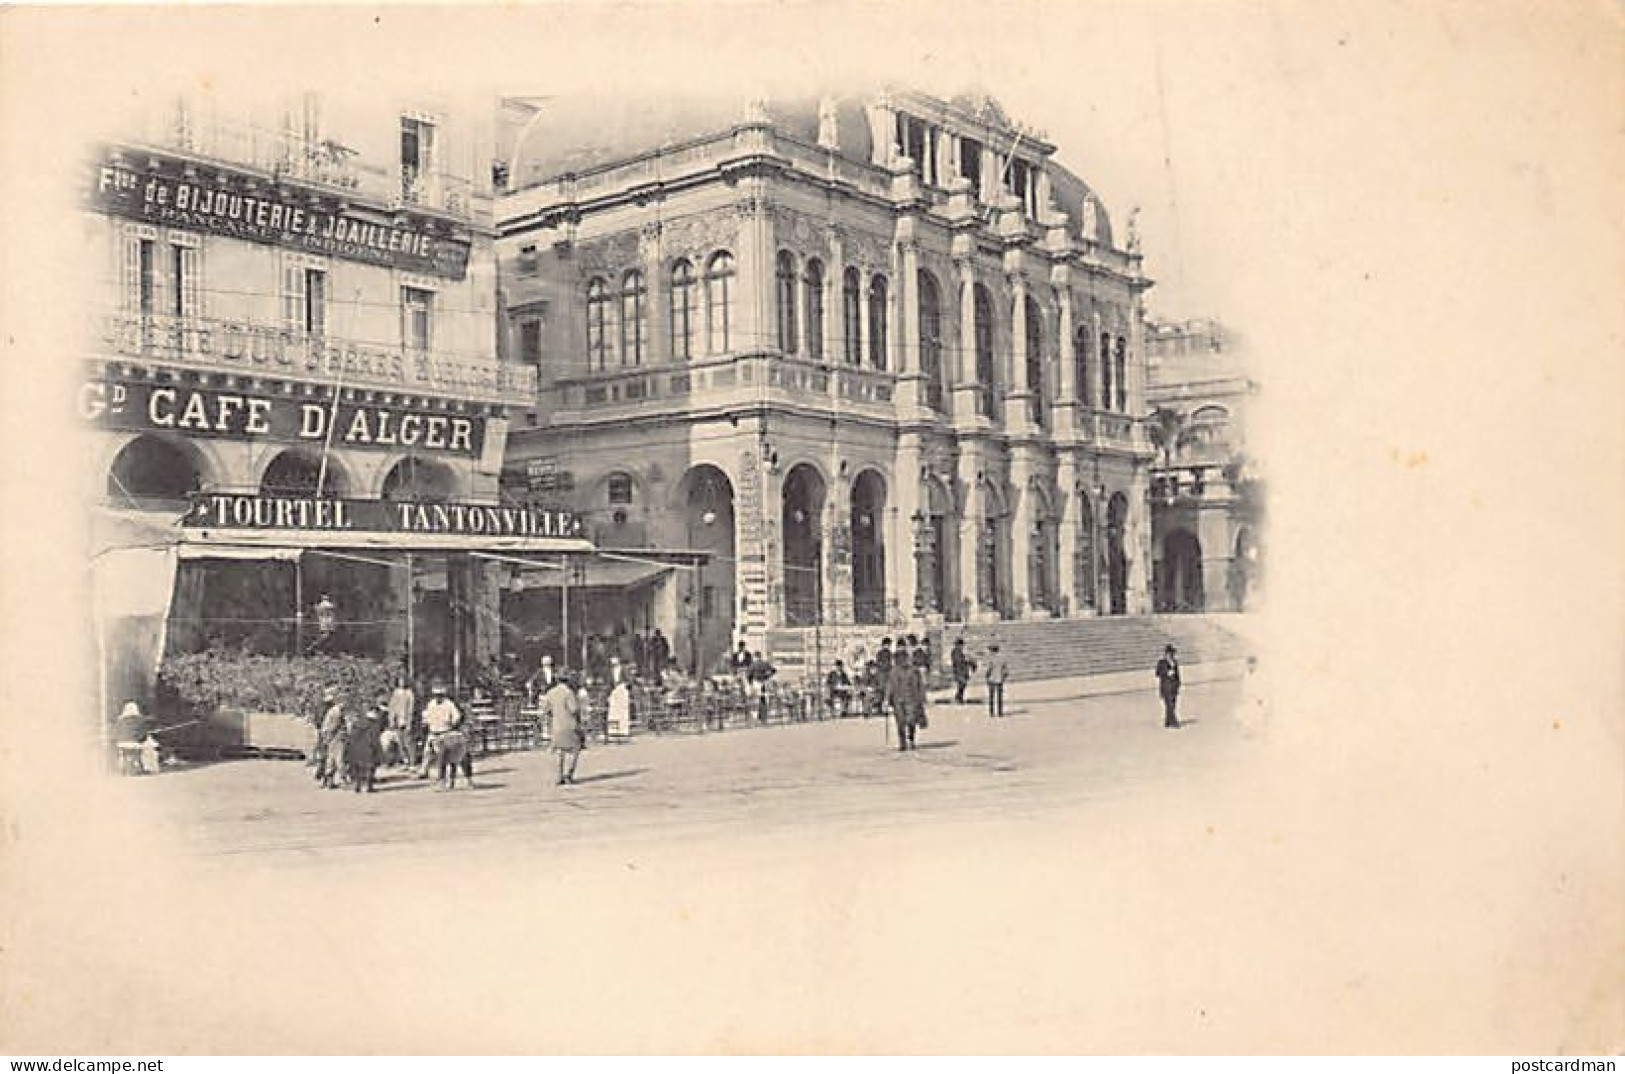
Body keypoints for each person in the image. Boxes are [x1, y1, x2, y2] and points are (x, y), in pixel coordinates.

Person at [420, 679, 467, 780]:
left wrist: (452, 724)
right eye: (436, 695)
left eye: (440, 695)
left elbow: (456, 717)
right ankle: (424, 771)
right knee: (427, 752)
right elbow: (426, 716)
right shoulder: (431, 704)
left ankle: (446, 777)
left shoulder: (449, 704)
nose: (438, 697)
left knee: (446, 757)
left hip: (445, 732)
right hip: (433, 732)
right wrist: (426, 723)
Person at [543, 672, 584, 785]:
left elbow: (546, 709)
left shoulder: (550, 693)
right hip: (569, 725)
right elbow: (574, 709)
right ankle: (568, 775)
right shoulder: (568, 693)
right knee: (574, 750)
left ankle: (558, 775)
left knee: (559, 751)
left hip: (556, 725)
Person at [886, 649, 923, 751]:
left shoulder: (913, 671)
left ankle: (911, 739)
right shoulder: (893, 671)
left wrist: (920, 699)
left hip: (910, 699)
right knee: (900, 722)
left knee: (911, 721)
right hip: (897, 700)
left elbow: (918, 686)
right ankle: (902, 743)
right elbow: (890, 686)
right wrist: (887, 699)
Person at [345, 698, 384, 793]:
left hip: (356, 748)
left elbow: (351, 735)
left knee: (357, 768)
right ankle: (368, 786)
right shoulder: (374, 724)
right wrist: (378, 749)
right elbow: (375, 737)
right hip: (369, 748)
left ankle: (357, 786)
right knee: (370, 767)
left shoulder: (357, 722)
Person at [316, 685, 348, 789]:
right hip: (335, 736)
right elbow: (333, 726)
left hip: (329, 736)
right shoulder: (336, 712)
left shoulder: (330, 710)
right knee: (338, 758)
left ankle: (328, 780)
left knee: (330, 758)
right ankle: (342, 780)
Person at [387, 673, 417, 768]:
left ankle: (412, 762)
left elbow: (411, 708)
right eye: (400, 681)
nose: (402, 683)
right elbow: (392, 707)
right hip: (397, 720)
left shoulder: (409, 693)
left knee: (408, 741)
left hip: (406, 719)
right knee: (400, 742)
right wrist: (391, 720)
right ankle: (405, 761)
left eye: (403, 681)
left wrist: (409, 722)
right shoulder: (395, 693)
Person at [113, 701, 152, 775]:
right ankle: (141, 767)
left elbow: (116, 732)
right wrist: (141, 740)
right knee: (144, 749)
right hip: (134, 743)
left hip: (121, 743)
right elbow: (143, 734)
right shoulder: (140, 719)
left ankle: (123, 770)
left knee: (123, 754)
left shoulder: (119, 720)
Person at [1155, 644, 1182, 729]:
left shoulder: (1175, 662)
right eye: (1169, 654)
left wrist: (1178, 683)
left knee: (1173, 704)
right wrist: (1166, 672)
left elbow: (1177, 674)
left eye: (1172, 653)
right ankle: (1174, 722)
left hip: (1174, 687)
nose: (1170, 655)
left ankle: (1168, 721)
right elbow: (1157, 673)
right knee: (1169, 704)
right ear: (1165, 654)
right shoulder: (1161, 662)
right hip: (1166, 687)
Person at [606, 656, 632, 740]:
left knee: (623, 711)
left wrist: (623, 685)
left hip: (622, 691)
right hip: (614, 692)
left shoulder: (624, 669)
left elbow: (629, 680)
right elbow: (609, 683)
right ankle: (613, 730)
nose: (613, 661)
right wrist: (608, 694)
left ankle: (623, 730)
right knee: (613, 712)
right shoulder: (610, 671)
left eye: (614, 659)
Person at [985, 644, 1009, 718]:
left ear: (992, 651)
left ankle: (991, 712)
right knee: (999, 696)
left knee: (991, 696)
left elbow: (989, 669)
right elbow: (1005, 670)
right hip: (999, 679)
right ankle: (1000, 712)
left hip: (992, 679)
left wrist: (986, 676)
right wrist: (1003, 677)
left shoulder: (991, 659)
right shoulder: (1002, 659)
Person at [950, 638, 975, 704]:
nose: (962, 646)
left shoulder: (960, 652)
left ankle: (959, 697)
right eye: (961, 645)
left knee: (963, 685)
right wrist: (967, 661)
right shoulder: (955, 652)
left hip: (963, 670)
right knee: (961, 684)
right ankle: (958, 698)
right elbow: (958, 661)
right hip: (959, 671)